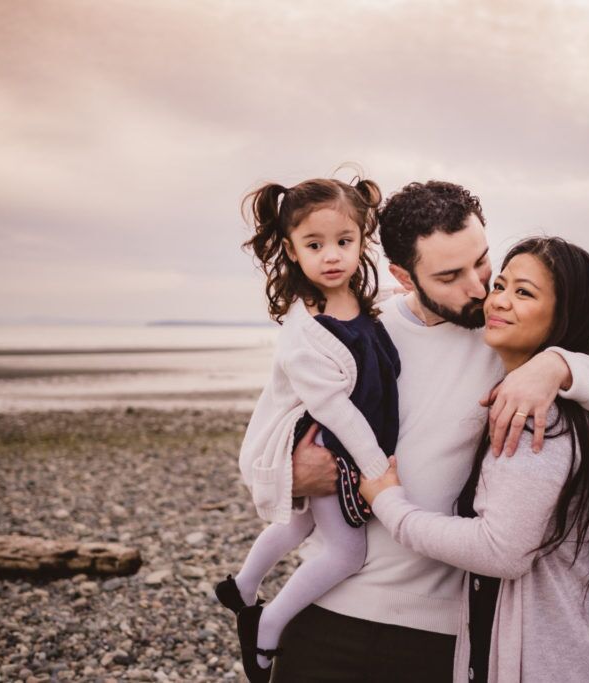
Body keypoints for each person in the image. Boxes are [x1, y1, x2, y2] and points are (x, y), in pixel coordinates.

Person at [256, 180, 589, 682]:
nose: (478, 288)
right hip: (328, 606)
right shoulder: (353, 324)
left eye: (483, 263)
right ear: (404, 276)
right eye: (450, 275)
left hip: (445, 632)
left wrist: (557, 366)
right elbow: (259, 448)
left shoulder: (505, 336)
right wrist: (290, 471)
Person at [360, 236, 589, 682]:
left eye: (524, 293)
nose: (497, 300)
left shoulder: (534, 418)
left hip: (568, 665)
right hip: (588, 654)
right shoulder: (573, 400)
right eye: (500, 285)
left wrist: (391, 505)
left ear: (565, 317)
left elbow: (499, 550)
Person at [215, 176, 400, 682]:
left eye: (344, 242)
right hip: (329, 445)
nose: (332, 256)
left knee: (298, 525)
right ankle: (268, 628)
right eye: (314, 245)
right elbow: (337, 411)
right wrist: (377, 467)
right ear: (293, 252)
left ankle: (242, 585)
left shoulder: (360, 296)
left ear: (363, 241)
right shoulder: (305, 333)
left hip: (340, 441)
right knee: (347, 550)